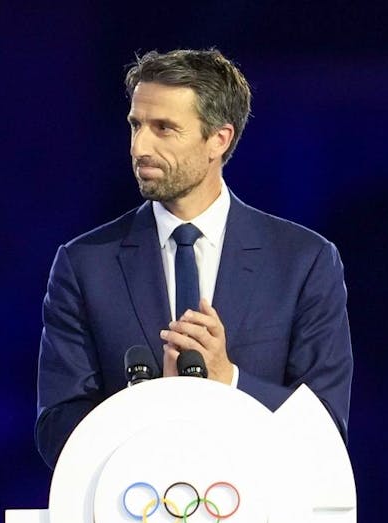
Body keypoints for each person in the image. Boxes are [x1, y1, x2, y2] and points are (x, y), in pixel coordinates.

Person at [35, 49, 352, 469]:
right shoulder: (85, 265)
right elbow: (56, 428)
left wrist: (229, 380)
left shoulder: (303, 262)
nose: (139, 147)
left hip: (261, 518)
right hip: (132, 515)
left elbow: (324, 431)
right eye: (136, 125)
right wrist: (152, 406)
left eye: (163, 128)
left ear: (218, 139)